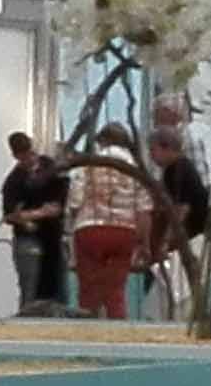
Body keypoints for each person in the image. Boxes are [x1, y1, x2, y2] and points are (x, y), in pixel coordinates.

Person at [65, 123, 156, 321]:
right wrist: (145, 244)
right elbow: (144, 210)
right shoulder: (136, 170)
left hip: (89, 228)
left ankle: (87, 329)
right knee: (115, 290)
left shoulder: (88, 166)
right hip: (124, 231)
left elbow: (75, 203)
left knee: (88, 290)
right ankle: (118, 330)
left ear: (103, 141)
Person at [148, 112, 211, 325]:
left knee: (177, 293)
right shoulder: (179, 169)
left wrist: (167, 240)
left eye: (153, 150)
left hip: (190, 238)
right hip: (191, 236)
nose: (151, 156)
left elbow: (181, 209)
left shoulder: (177, 170)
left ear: (166, 148)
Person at [0, 130, 68, 316]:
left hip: (53, 237)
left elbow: (60, 202)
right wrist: (39, 213)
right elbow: (9, 215)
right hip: (28, 240)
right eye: (23, 156)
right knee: (30, 291)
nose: (29, 159)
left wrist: (29, 215)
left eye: (30, 153)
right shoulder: (14, 181)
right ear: (16, 156)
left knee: (57, 288)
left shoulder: (50, 168)